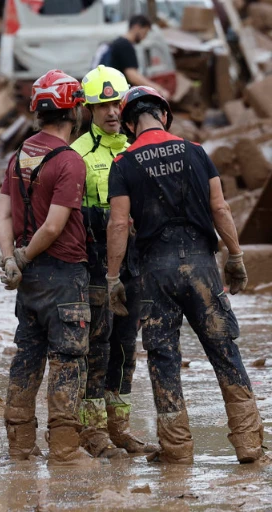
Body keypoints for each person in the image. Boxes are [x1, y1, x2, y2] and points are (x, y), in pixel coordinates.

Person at [106, 86, 264, 464]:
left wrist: (113, 277)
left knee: (162, 355)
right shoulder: (195, 152)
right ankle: (249, 444)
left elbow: (118, 224)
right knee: (224, 348)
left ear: (128, 123)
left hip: (155, 271)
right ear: (164, 115)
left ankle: (177, 450)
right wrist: (237, 257)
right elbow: (220, 208)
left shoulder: (124, 163)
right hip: (201, 266)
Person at [0, 69, 93, 466]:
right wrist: (26, 256)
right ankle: (66, 452)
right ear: (74, 112)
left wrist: (10, 259)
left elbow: (2, 216)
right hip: (63, 273)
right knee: (68, 360)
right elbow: (54, 226)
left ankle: (19, 449)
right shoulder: (70, 161)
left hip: (28, 278)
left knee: (27, 357)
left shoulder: (19, 155)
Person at [71, 65, 157, 458]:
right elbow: (67, 214)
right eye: (102, 105)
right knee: (96, 346)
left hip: (135, 263)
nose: (110, 113)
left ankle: (119, 426)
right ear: (88, 108)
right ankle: (92, 431)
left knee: (126, 343)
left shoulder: (137, 148)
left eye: (115, 104)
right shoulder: (76, 155)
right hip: (94, 266)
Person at [95, 15, 170, 100]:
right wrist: (157, 89)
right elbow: (132, 75)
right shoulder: (125, 45)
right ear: (136, 27)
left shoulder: (117, 42)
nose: (144, 37)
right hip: (116, 94)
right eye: (145, 32)